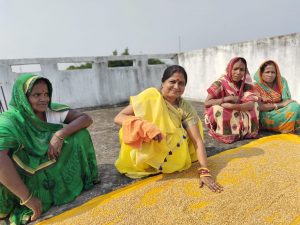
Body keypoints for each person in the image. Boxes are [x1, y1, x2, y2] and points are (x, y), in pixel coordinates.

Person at [0, 74, 98, 224]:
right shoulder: (10, 121)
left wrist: (60, 134)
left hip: (49, 162)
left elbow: (86, 119)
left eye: (46, 94)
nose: (43, 99)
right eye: (36, 95)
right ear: (22, 97)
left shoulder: (51, 110)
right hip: (27, 175)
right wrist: (28, 198)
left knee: (80, 134)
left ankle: (72, 182)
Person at [114, 65, 223, 193]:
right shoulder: (150, 96)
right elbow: (119, 118)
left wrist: (204, 171)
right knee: (130, 126)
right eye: (172, 81)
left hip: (173, 157)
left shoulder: (185, 108)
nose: (176, 87)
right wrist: (145, 127)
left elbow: (197, 140)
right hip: (144, 155)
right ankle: (150, 162)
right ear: (163, 82)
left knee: (192, 125)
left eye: (181, 83)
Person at [204, 57, 259, 144]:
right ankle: (227, 134)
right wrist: (227, 99)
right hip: (225, 111)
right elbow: (207, 103)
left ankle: (244, 132)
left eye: (242, 70)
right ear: (230, 69)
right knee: (216, 109)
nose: (238, 72)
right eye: (235, 69)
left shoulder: (246, 84)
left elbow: (251, 103)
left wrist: (233, 106)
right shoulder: (220, 83)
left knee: (256, 105)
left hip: (238, 109)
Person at [253, 60, 300, 133]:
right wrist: (279, 104)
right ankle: (286, 128)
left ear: (276, 73)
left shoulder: (282, 82)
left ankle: (289, 126)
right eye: (267, 72)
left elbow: (287, 101)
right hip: (266, 115)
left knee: (295, 106)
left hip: (281, 111)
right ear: (261, 73)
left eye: (273, 72)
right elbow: (259, 107)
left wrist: (284, 105)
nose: (270, 75)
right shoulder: (256, 86)